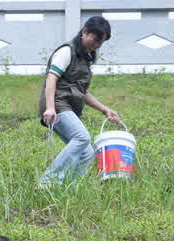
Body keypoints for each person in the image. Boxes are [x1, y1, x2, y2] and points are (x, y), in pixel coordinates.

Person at [38, 15, 123, 187]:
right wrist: (49, 108)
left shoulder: (85, 58)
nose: (97, 44)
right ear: (85, 31)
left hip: (68, 105)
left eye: (102, 42)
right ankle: (47, 183)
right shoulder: (66, 51)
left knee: (87, 153)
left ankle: (68, 188)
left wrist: (104, 109)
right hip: (57, 104)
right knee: (81, 137)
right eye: (96, 38)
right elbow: (51, 79)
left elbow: (82, 92)